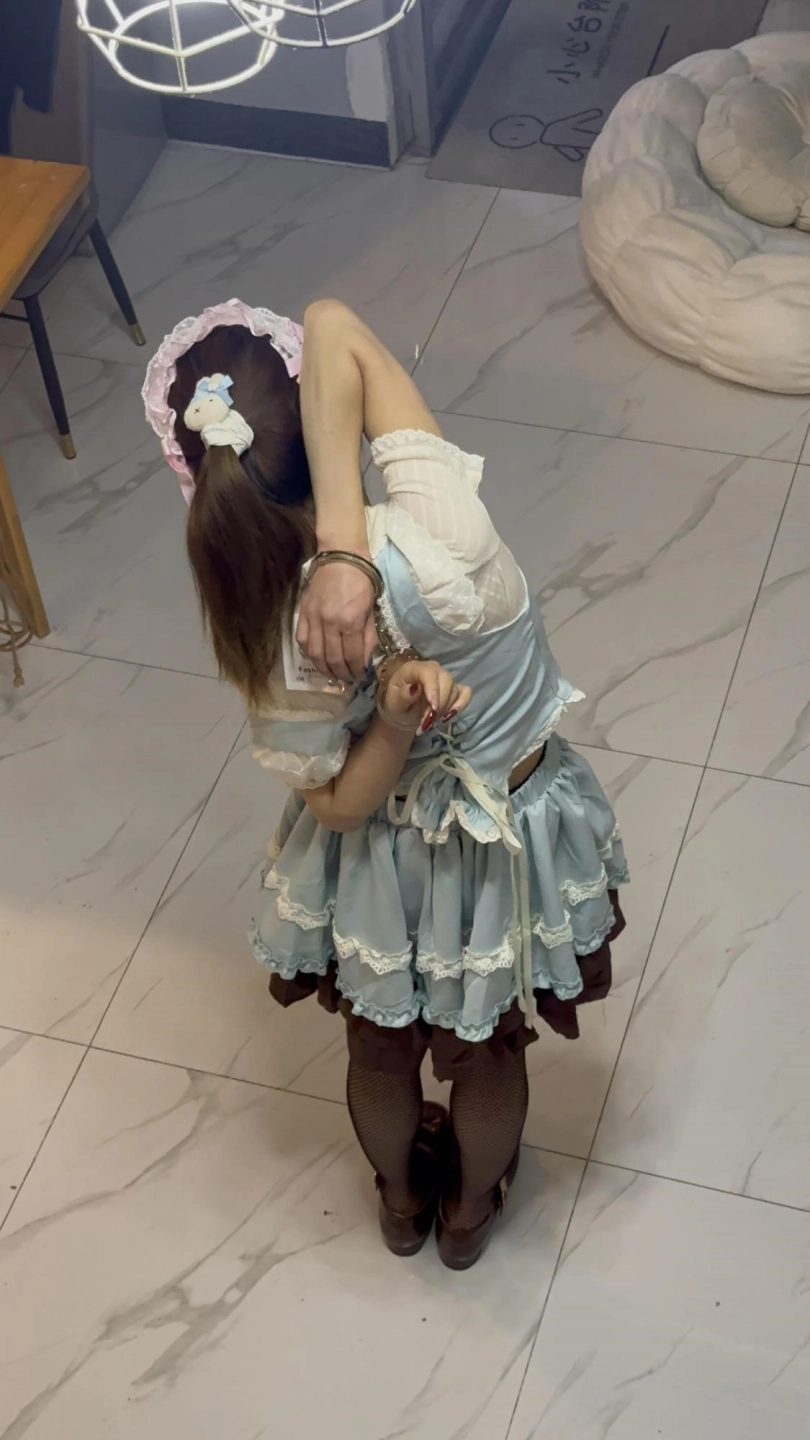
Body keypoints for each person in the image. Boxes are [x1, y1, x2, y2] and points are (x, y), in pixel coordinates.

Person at [143, 298, 628, 1270]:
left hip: (380, 865)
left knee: (378, 1048)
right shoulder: (443, 524)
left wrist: (390, 719)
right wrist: (351, 554)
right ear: (320, 431)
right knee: (488, 1051)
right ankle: (470, 1213)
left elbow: (336, 806)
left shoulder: (274, 633)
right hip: (503, 845)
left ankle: (403, 1202)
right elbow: (333, 324)